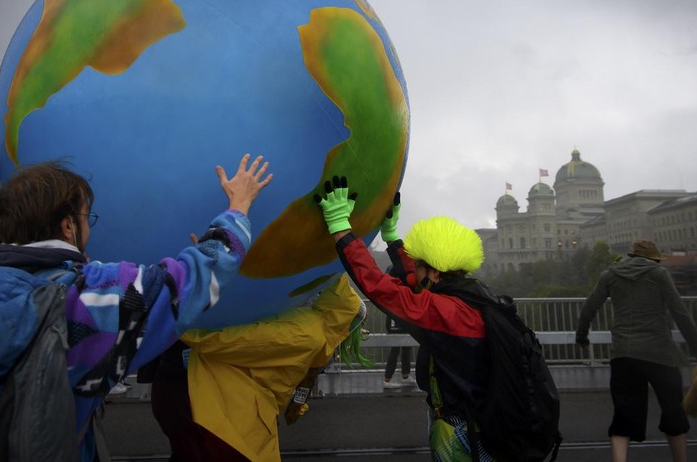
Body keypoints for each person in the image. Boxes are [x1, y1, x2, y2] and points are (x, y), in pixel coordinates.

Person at [0, 154, 272, 461]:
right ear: (67, 227)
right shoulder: (82, 301)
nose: (88, 227)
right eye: (86, 217)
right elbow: (192, 280)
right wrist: (238, 208)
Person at [314, 177, 498, 460]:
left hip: (465, 430)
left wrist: (341, 227)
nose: (415, 271)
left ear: (435, 273)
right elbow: (414, 278)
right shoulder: (470, 295)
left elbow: (381, 287)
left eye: (421, 265)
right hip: (479, 419)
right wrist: (391, 237)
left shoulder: (447, 312)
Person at [174, 274, 364, 461]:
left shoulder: (306, 332)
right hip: (250, 413)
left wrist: (189, 331)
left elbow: (244, 342)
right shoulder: (320, 336)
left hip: (233, 415)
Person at [575, 240, 697, 462]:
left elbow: (589, 307)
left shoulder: (609, 274)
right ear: (654, 259)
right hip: (660, 355)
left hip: (624, 355)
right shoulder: (659, 274)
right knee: (674, 415)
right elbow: (680, 313)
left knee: (623, 418)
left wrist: (581, 337)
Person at [383, 311, 414, 389]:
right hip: (397, 325)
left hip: (403, 325)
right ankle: (387, 380)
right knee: (395, 351)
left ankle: (405, 376)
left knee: (406, 350)